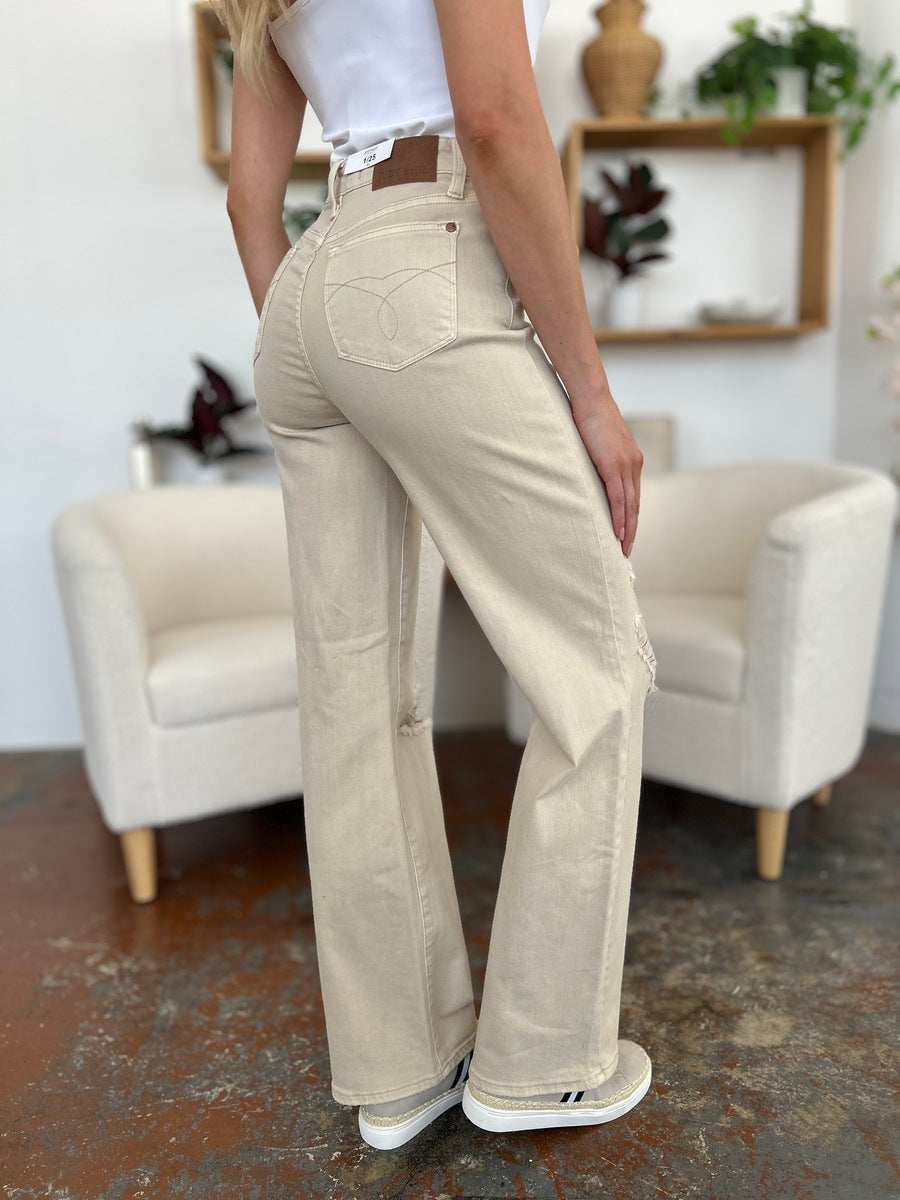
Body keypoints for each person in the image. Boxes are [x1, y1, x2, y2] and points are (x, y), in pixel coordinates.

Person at [217, 0, 656, 1152]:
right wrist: (593, 394)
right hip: (425, 248)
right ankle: (544, 1061)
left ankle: (397, 1068)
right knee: (597, 662)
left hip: (311, 286)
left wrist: (322, 349)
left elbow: (248, 203)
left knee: (355, 696)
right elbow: (502, 123)